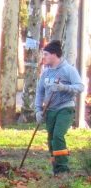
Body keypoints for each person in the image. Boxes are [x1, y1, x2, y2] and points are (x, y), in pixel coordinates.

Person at [35, 40, 84, 175]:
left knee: (57, 136)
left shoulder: (68, 70)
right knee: (51, 139)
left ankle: (63, 168)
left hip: (65, 108)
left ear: (54, 55)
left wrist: (64, 87)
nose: (43, 57)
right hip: (50, 110)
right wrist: (38, 110)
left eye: (46, 54)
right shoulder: (45, 73)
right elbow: (40, 92)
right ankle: (55, 166)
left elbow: (80, 87)